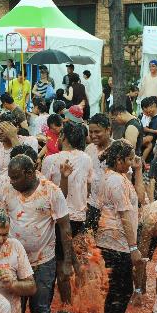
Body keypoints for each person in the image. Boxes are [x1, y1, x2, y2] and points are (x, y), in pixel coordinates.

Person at [0, 154, 74, 313]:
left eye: (16, 177)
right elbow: (0, 224)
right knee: (14, 309)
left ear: (30, 173)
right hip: (14, 262)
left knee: (41, 309)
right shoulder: (7, 190)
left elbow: (65, 228)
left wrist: (67, 262)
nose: (12, 181)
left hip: (44, 261)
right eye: (10, 177)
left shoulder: (51, 191)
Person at [41, 122, 93, 303]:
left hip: (56, 219)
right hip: (78, 217)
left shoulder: (50, 160)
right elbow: (89, 186)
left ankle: (66, 304)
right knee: (75, 260)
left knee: (59, 263)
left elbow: (44, 191)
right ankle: (81, 302)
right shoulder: (86, 159)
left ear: (63, 137)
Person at [95, 141, 143, 313]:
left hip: (113, 240)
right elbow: (124, 215)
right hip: (116, 241)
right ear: (118, 159)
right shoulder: (115, 181)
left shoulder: (117, 176)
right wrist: (133, 247)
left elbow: (138, 198)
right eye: (129, 159)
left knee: (116, 289)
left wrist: (136, 168)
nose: (131, 162)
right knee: (123, 290)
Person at [0, 112, 41, 206]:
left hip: (24, 198)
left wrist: (13, 137)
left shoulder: (30, 141)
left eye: (6, 128)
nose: (0, 131)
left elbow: (28, 164)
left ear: (16, 128)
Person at [85, 113, 112, 231]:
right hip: (91, 205)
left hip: (111, 208)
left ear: (108, 130)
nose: (93, 135)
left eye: (97, 132)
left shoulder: (117, 149)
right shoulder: (89, 149)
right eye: (90, 132)